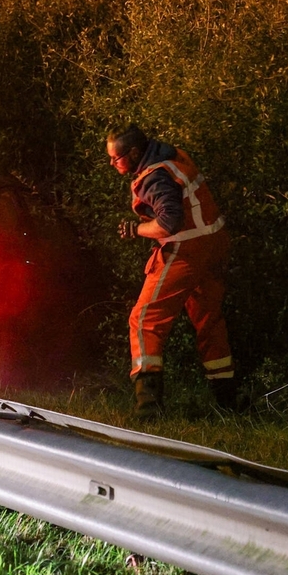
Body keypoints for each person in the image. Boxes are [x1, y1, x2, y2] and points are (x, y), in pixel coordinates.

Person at [106, 124, 243, 416]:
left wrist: (135, 229)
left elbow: (169, 223)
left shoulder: (154, 176)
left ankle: (148, 408)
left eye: (116, 158)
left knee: (144, 319)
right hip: (214, 243)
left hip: (187, 249)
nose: (112, 164)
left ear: (133, 153)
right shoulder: (172, 155)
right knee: (209, 321)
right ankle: (228, 404)